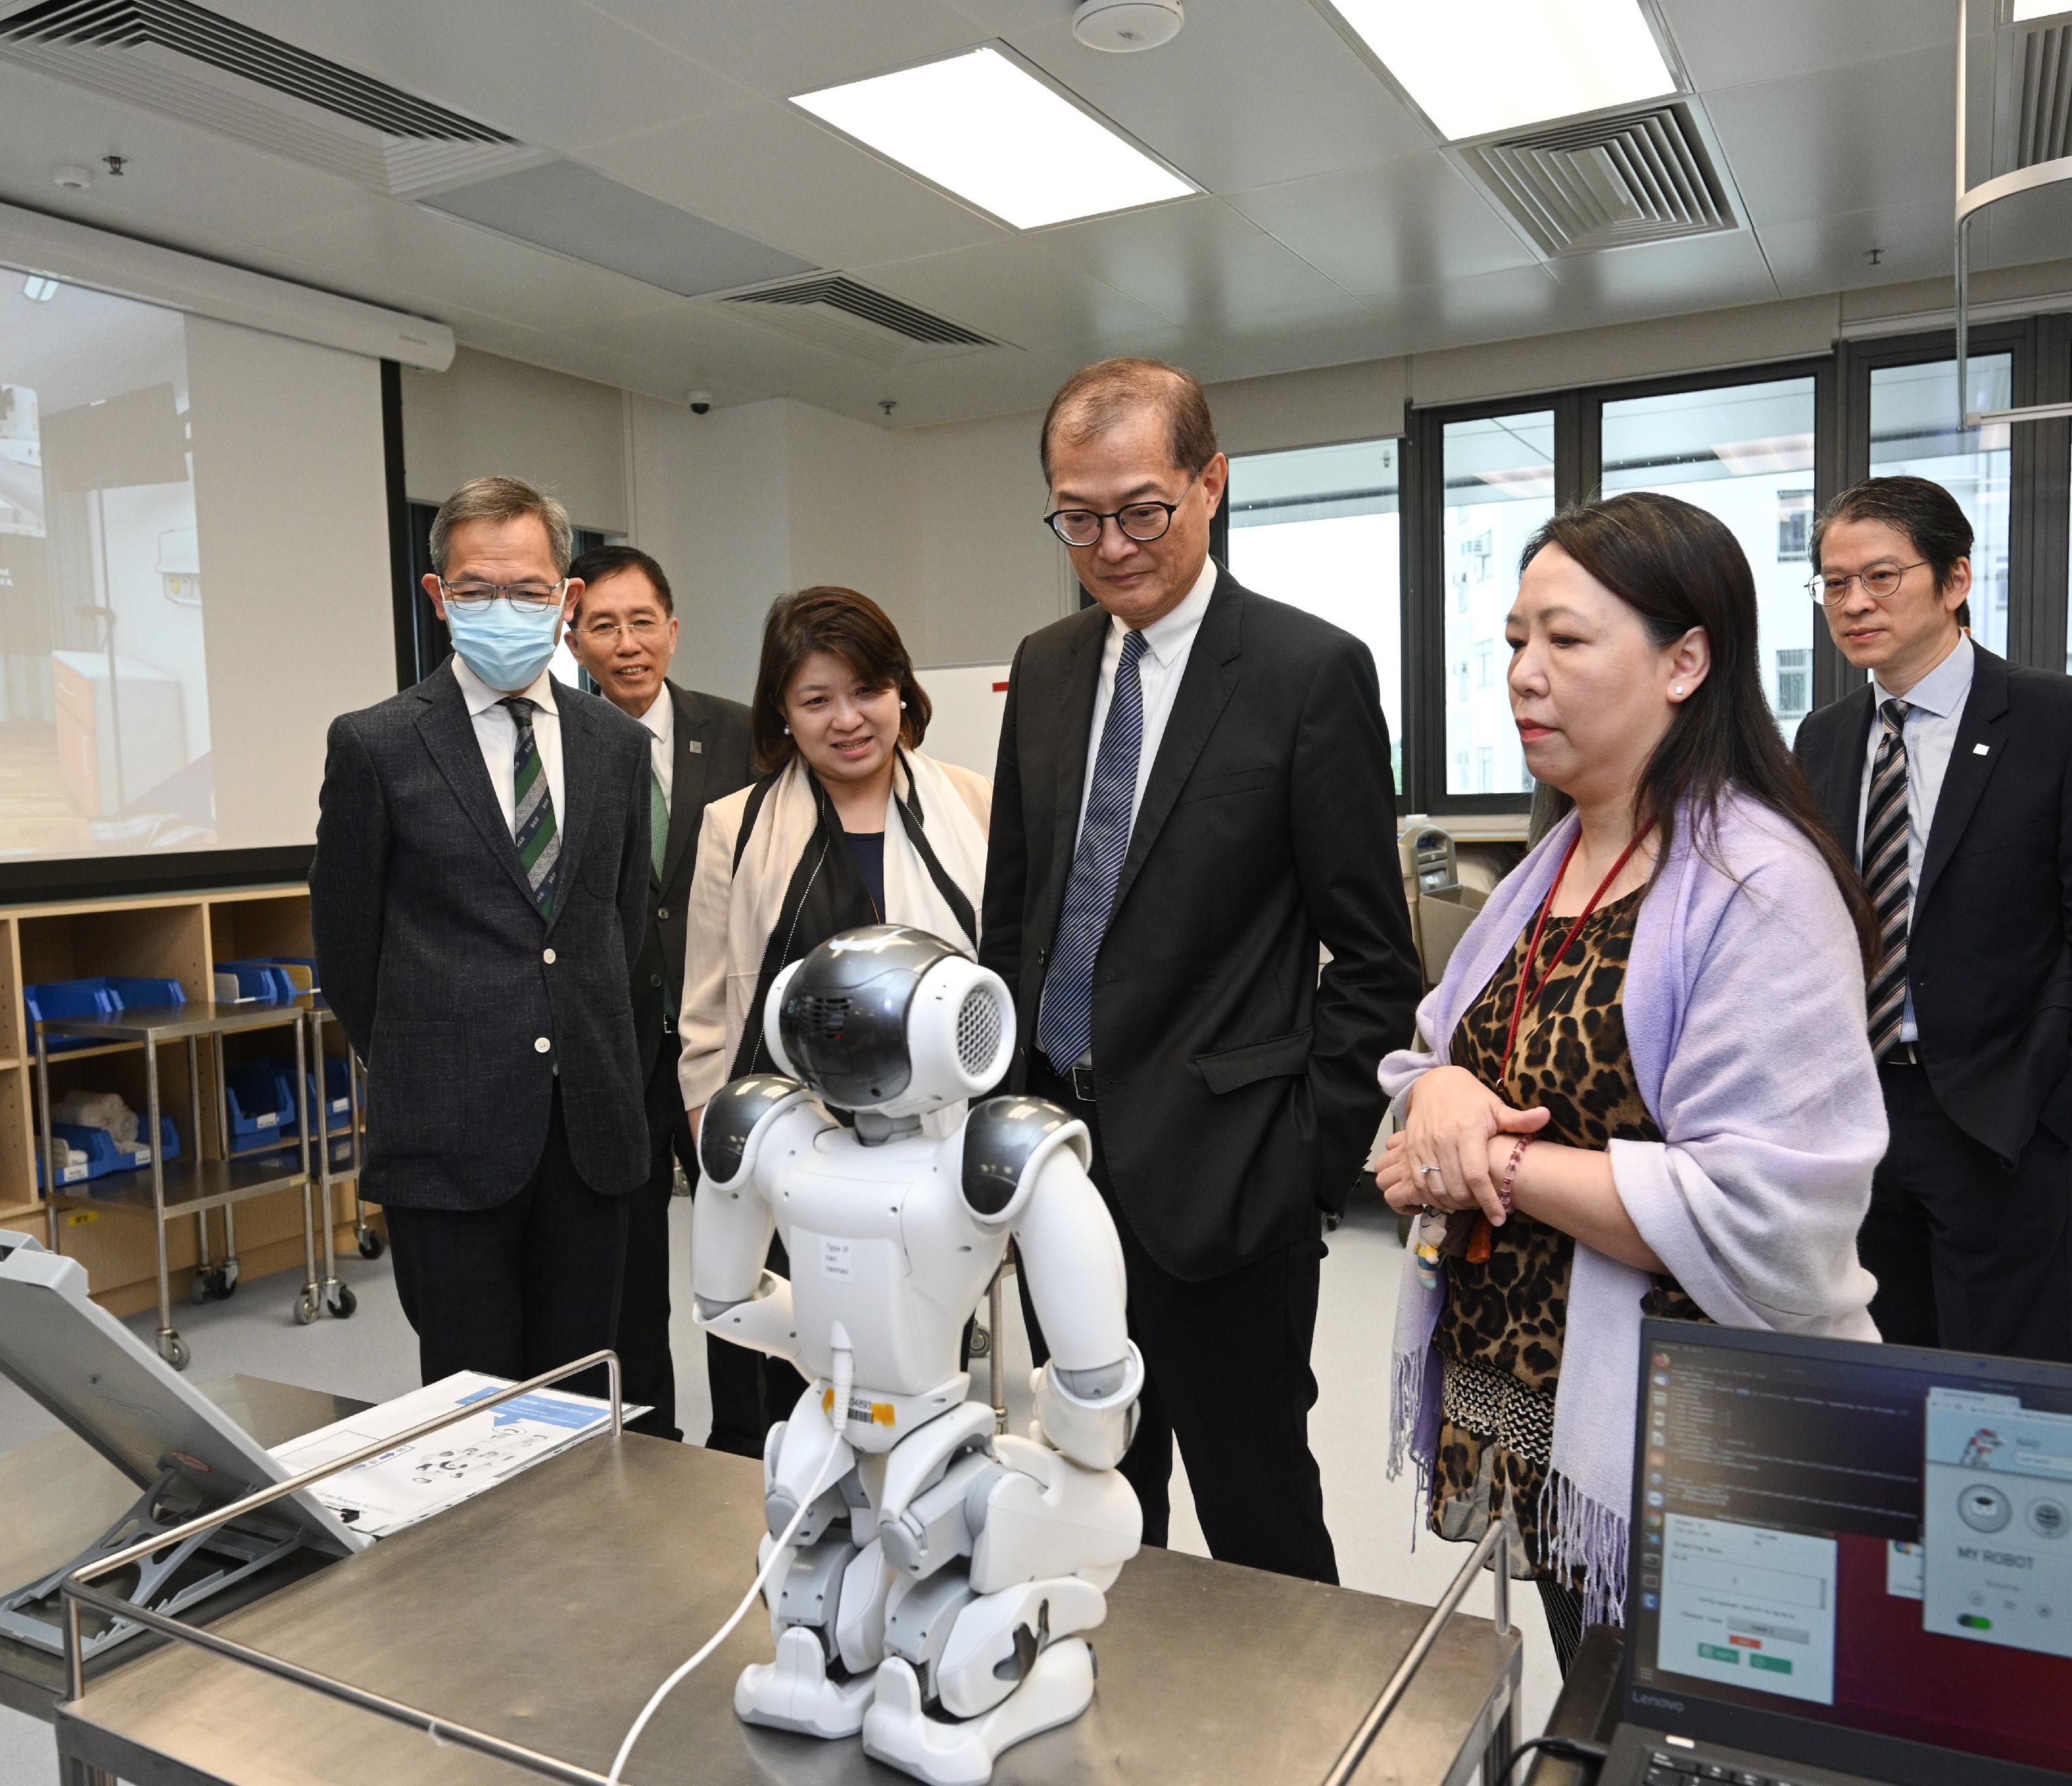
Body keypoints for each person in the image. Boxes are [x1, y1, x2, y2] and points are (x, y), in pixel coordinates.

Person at [1379, 490, 1885, 1670]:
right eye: (1513, 640)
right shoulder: (1552, 864)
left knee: (1693, 1722)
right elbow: (1434, 1053)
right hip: (1532, 1392)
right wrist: (1442, 1096)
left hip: (1694, 1431)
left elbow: (1764, 1214)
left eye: (1566, 638)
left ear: (1685, 661)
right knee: (1595, 1698)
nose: (1523, 673)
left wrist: (1493, 1161)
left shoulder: (1757, 885)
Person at [981, 357, 1418, 1586]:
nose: (1111, 545)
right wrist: (1003, 1112)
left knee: (1258, 1514)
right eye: (1078, 516)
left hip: (1233, 1183)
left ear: (1211, 484)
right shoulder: (1052, 666)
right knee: (1094, 1498)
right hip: (1059, 1165)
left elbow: (1378, 960)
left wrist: (1303, 1161)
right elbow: (1015, 911)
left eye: (1141, 509)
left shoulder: (1303, 671)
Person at [1793, 476, 2072, 1364]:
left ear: (1956, 579)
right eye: (1833, 583)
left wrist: (2058, 1117)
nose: (1853, 603)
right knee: (1880, 1373)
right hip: (1858, 1112)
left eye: (1881, 576)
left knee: (2007, 1390)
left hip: (2004, 1119)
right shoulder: (1824, 738)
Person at [311, 475, 654, 1391]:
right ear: (438, 598)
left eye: (529, 590)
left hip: (589, 1130)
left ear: (566, 598)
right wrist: (430, 1061)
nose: (503, 608)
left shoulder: (615, 745)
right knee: (471, 1401)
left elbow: (620, 930)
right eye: (475, 590)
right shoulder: (377, 746)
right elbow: (346, 948)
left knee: (583, 1389)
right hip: (448, 1137)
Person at [679, 586, 991, 1455]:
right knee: (786, 1388)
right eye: (816, 698)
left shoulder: (973, 805)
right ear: (782, 711)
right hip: (791, 1156)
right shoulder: (733, 828)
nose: (848, 719)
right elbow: (709, 1004)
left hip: (937, 1150)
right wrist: (718, 1133)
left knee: (928, 1370)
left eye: (868, 689)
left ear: (902, 690)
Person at [563, 541, 752, 1443]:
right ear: (575, 635)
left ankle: (751, 1443)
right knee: (628, 1274)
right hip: (619, 1048)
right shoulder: (554, 750)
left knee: (750, 1258)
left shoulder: (748, 731)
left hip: (731, 1044)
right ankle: (648, 1448)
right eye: (604, 625)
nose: (627, 643)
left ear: (673, 630)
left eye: (643, 621)